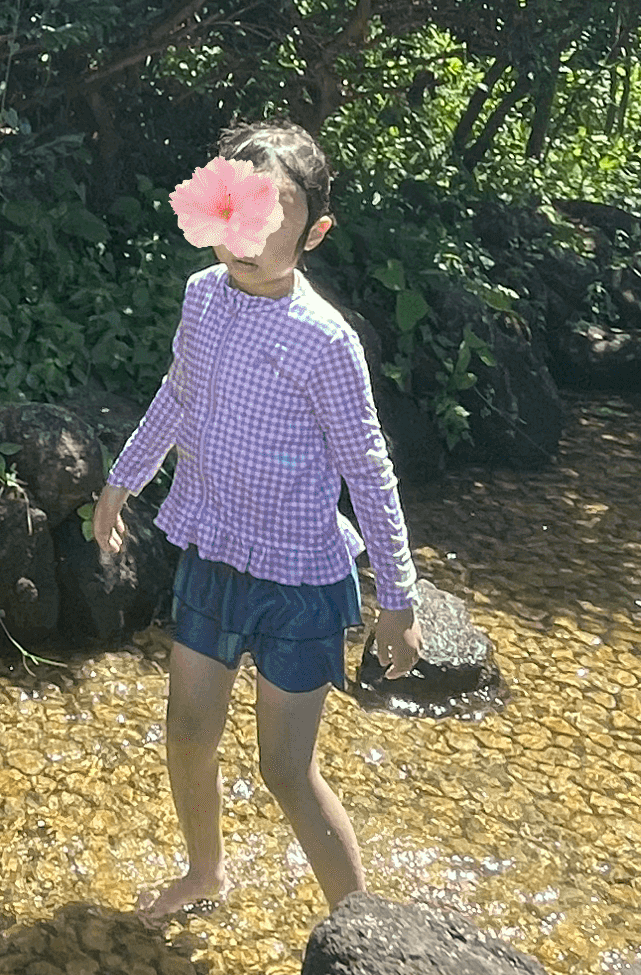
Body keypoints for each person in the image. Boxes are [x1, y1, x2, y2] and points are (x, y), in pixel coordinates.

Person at [90, 120, 419, 921]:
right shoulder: (203, 300)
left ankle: (365, 937)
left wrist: (398, 600)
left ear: (315, 231)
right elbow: (178, 395)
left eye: (276, 219)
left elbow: (367, 467)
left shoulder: (325, 341)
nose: (251, 237)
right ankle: (206, 872)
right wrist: (119, 484)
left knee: (284, 768)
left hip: (299, 579)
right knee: (188, 733)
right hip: (215, 555)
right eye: (238, 212)